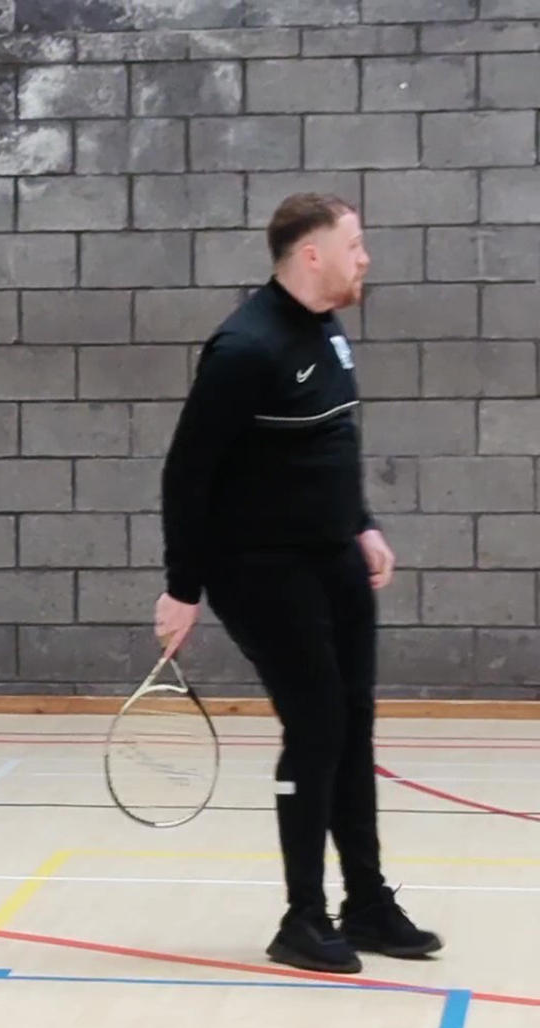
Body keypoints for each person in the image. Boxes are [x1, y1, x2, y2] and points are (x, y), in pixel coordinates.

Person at [154, 192, 441, 975]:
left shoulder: (328, 330)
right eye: (356, 244)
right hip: (260, 570)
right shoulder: (244, 348)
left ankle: (369, 902)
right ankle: (302, 916)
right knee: (315, 728)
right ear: (311, 253)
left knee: (352, 724)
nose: (366, 258)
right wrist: (183, 588)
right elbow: (188, 473)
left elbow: (329, 442)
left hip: (331, 559)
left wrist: (362, 520)